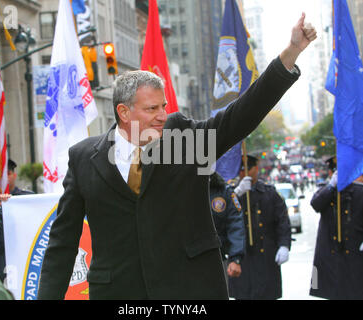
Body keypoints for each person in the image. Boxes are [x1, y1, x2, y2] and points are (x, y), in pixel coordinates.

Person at [37, 14, 316, 300]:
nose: (162, 116)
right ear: (123, 113)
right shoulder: (84, 158)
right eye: (151, 109)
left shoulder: (182, 140)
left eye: (164, 106)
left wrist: (290, 53)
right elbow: (62, 242)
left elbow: (240, 116)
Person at [228, 155, 292, 300]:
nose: (244, 173)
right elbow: (223, 215)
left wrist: (284, 245)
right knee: (244, 294)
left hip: (266, 255)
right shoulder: (232, 193)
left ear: (256, 169)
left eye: (248, 169)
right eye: (241, 170)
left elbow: (282, 221)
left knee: (266, 294)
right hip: (242, 256)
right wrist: (237, 194)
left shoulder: (270, 193)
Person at [309, 156, 363, 299]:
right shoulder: (327, 191)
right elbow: (315, 204)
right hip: (330, 255)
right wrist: (331, 186)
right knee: (332, 292)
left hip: (353, 254)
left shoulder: (359, 191)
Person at [209, 171, 245, 280]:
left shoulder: (224, 191)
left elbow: (235, 224)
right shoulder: (183, 190)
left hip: (217, 257)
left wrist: (235, 258)